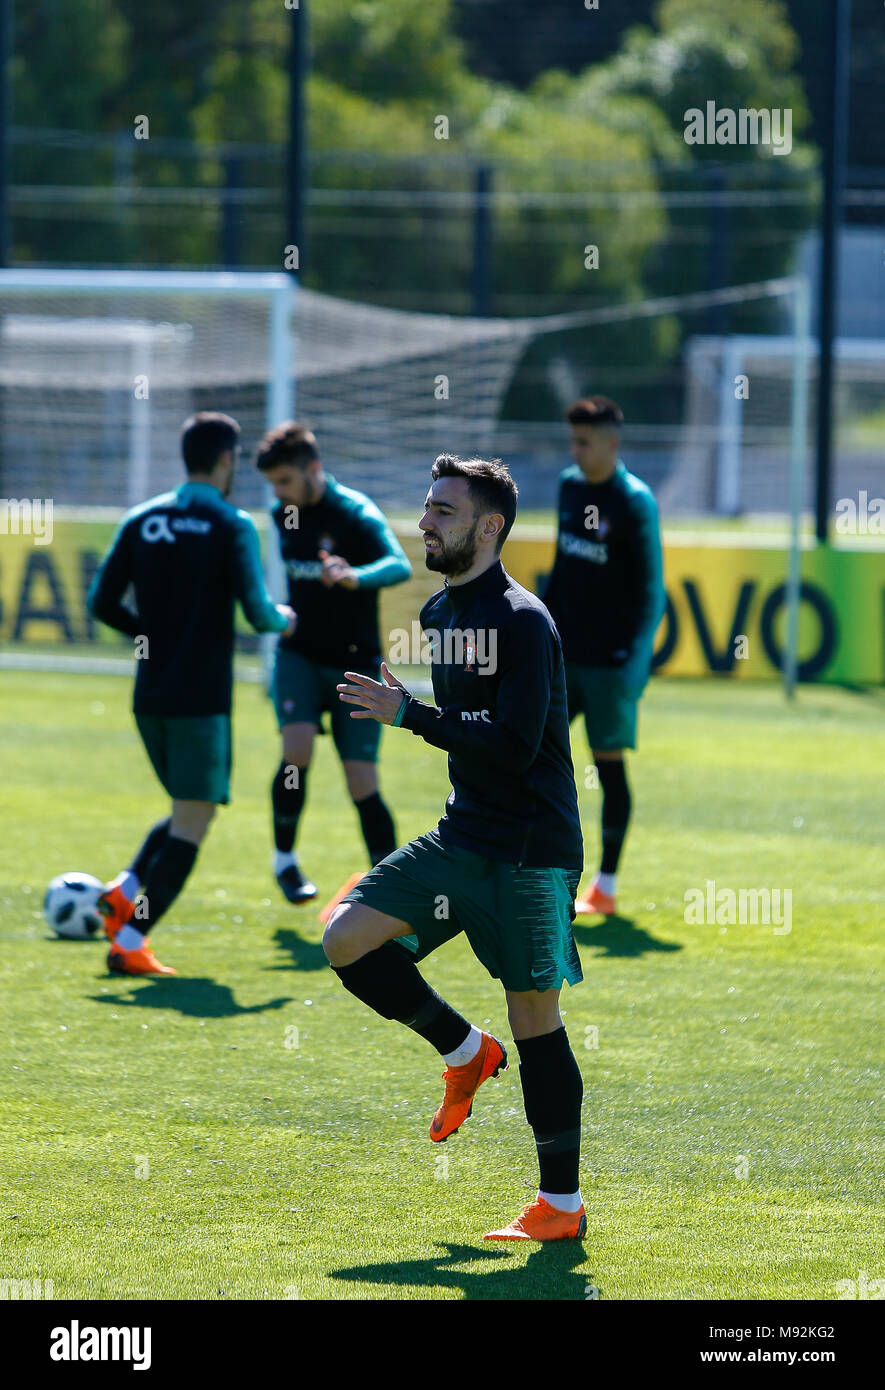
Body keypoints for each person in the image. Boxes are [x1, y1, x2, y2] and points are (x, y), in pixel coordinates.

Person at [324, 454, 587, 1242]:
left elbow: (511, 744)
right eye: (427, 506)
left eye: (442, 510)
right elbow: (467, 727)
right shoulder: (440, 613)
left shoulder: (522, 620)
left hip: (530, 852)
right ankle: (466, 1051)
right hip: (461, 833)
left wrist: (408, 716)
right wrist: (415, 712)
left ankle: (560, 1209)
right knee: (345, 938)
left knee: (535, 1017)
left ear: (488, 526)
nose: (424, 522)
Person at [87, 411, 295, 976]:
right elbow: (256, 613)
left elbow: (100, 604)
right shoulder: (231, 524)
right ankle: (132, 937)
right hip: (200, 700)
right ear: (227, 460)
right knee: (192, 823)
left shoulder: (142, 518)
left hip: (149, 695)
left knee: (185, 807)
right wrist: (286, 618)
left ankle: (124, 889)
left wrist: (149, 638)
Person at [255, 422, 411, 904]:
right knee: (296, 751)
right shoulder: (284, 513)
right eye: (273, 484)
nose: (279, 494)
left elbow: (399, 565)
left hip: (354, 662)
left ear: (313, 470)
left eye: (285, 481)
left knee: (360, 777)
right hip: (299, 654)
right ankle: (285, 861)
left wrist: (353, 576)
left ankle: (389, 887)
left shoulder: (355, 512)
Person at [542, 397, 665, 917]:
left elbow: (651, 590)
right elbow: (562, 568)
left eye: (585, 441)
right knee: (529, 755)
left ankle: (606, 887)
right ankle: (533, 872)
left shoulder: (634, 501)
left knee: (608, 769)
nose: (576, 450)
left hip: (611, 663)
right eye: (572, 440)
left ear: (612, 443)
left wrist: (634, 664)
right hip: (563, 659)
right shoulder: (569, 486)